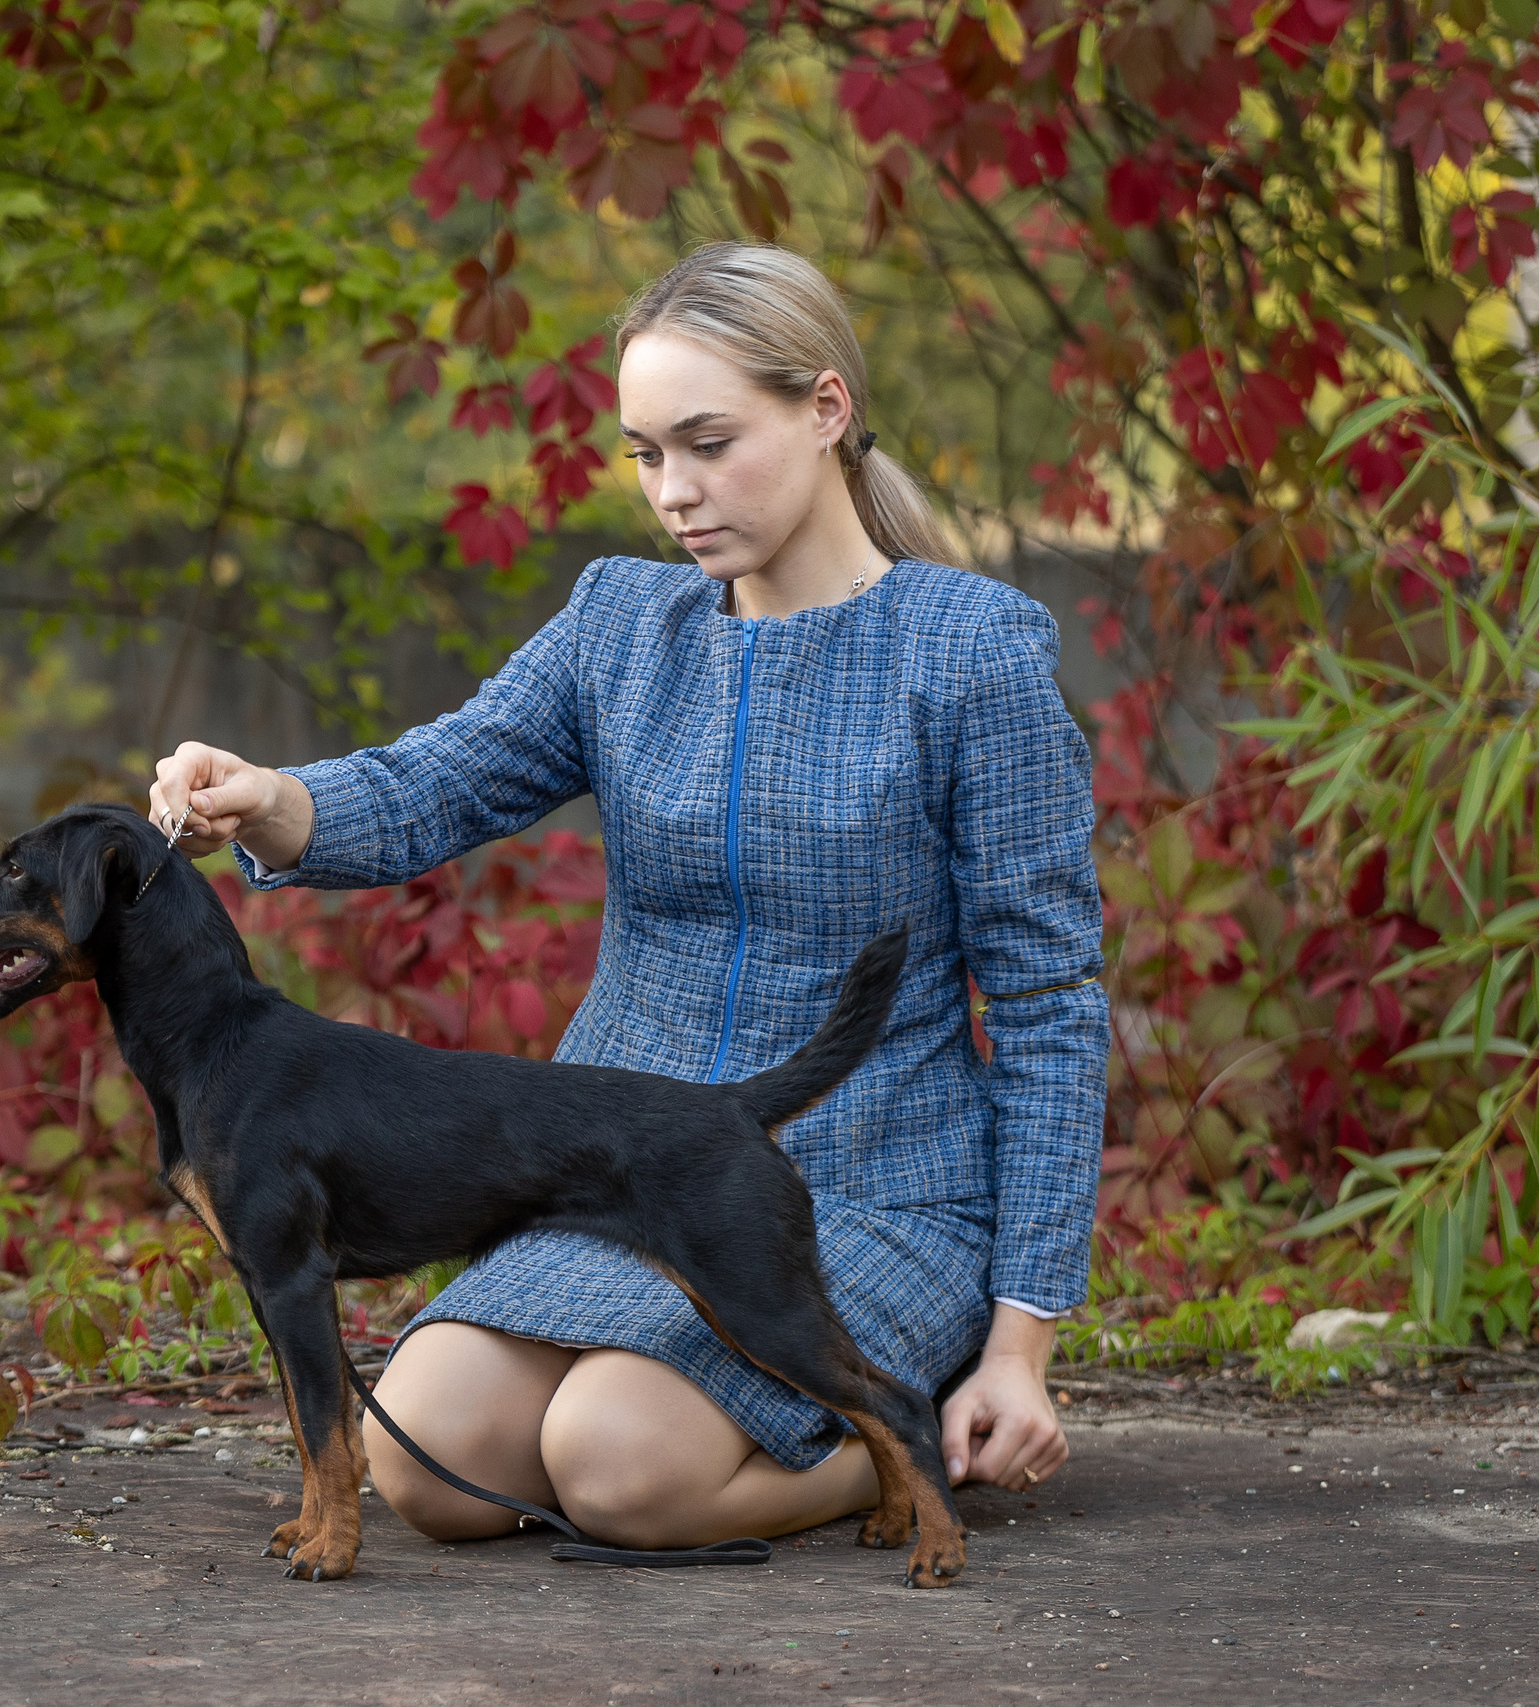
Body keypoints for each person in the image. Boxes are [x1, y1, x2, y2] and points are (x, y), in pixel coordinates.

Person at [146, 241, 1105, 1552]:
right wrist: (270, 799)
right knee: (428, 1462)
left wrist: (1021, 1348)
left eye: (708, 443)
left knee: (617, 1468)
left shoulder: (969, 655)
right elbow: (434, 787)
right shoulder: (621, 627)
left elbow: (1051, 1009)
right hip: (603, 1168)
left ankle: (912, 1428)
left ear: (825, 410)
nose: (674, 493)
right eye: (647, 454)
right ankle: (740, 1423)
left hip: (877, 1188)